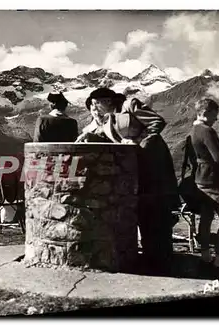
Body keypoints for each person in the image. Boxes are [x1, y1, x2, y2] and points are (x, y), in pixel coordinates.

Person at [76, 87, 180, 273]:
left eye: (96, 103)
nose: (94, 108)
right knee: (143, 212)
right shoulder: (109, 121)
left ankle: (164, 262)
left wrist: (139, 143)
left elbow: (157, 122)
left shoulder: (130, 105)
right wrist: (90, 136)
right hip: (136, 171)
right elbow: (113, 141)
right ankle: (152, 260)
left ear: (107, 101)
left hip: (153, 166)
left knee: (158, 213)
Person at [189, 98, 219, 268]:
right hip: (214, 181)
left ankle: (205, 254)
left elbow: (205, 154)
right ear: (206, 112)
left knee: (206, 217)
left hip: (200, 179)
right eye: (215, 114)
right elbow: (218, 159)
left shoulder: (195, 129)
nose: (216, 118)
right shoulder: (207, 131)